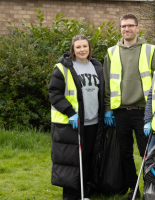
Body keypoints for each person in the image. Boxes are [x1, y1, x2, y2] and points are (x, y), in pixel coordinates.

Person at [102, 13, 155, 200]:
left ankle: (150, 190)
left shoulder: (150, 51)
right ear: (120, 29)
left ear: (137, 28)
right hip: (120, 113)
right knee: (125, 153)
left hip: (144, 112)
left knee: (147, 153)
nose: (126, 29)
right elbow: (106, 83)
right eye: (123, 26)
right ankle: (133, 189)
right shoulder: (111, 53)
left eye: (130, 26)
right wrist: (107, 109)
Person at [49, 34, 104, 200]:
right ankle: (71, 196)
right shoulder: (63, 67)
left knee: (88, 157)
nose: (82, 50)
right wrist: (70, 113)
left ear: (89, 48)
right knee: (73, 161)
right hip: (71, 123)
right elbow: (54, 93)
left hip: (93, 121)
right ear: (73, 49)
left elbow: (102, 92)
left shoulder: (97, 66)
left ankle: (84, 193)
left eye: (85, 47)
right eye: (78, 47)